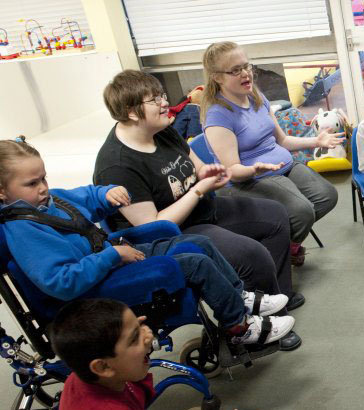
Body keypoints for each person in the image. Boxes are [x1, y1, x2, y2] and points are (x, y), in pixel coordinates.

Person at [0, 138, 294, 361]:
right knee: (194, 263)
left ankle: (237, 297)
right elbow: (61, 282)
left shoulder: (50, 200)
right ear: (2, 192)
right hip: (91, 293)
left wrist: (105, 193)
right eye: (31, 183)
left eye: (43, 178)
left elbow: (86, 197)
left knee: (200, 243)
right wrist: (112, 256)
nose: (42, 188)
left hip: (110, 259)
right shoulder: (23, 230)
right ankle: (239, 327)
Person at [93, 70, 304, 351]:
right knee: (251, 254)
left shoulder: (161, 130)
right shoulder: (117, 165)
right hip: (174, 232)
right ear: (132, 112)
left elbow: (197, 167)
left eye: (162, 95)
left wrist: (211, 172)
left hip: (203, 206)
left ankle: (277, 297)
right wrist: (198, 190)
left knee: (276, 216)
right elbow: (153, 225)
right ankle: (253, 329)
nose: (165, 103)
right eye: (154, 99)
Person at [200, 41, 343, 266]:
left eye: (246, 66)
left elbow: (282, 140)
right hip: (247, 181)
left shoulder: (255, 95)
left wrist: (316, 140)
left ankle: (286, 245)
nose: (246, 74)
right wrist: (254, 169)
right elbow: (232, 171)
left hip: (282, 166)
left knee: (327, 196)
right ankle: (268, 255)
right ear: (217, 77)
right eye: (235, 70)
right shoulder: (218, 116)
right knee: (302, 212)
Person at [50, 298, 155, 410]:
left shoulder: (87, 374)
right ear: (103, 367)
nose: (146, 335)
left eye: (139, 325)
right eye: (134, 338)